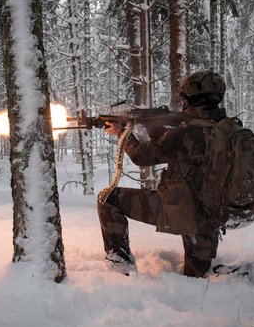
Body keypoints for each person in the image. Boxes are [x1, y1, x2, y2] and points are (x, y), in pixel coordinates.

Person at [98, 71, 228, 277]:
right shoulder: (227, 128)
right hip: (214, 214)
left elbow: (141, 156)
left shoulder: (186, 133)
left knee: (107, 198)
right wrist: (153, 125)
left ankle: (120, 267)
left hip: (183, 209)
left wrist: (123, 133)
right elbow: (171, 149)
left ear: (188, 98)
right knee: (200, 276)